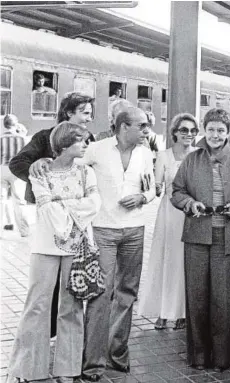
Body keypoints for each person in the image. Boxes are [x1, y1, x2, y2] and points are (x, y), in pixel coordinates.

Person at [7, 122, 101, 383]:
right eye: (81, 141)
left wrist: (62, 206)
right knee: (37, 305)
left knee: (71, 306)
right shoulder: (40, 172)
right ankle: (28, 369)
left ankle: (67, 370)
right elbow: (46, 211)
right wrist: (74, 209)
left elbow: (94, 204)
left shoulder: (86, 172)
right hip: (45, 245)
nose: (85, 146)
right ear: (64, 144)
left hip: (78, 247)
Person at [171, 108, 230, 372]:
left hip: (226, 238)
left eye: (221, 130)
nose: (215, 135)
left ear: (229, 133)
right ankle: (198, 356)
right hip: (196, 236)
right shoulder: (191, 160)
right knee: (196, 297)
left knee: (223, 298)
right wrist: (190, 203)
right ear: (204, 131)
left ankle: (222, 358)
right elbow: (177, 191)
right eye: (211, 130)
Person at [9, 91, 95, 338]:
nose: (89, 119)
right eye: (85, 113)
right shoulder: (44, 138)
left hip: (78, 216)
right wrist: (41, 176)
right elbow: (17, 163)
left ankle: (63, 330)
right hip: (48, 215)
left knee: (72, 276)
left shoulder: (89, 140)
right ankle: (47, 330)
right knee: (49, 279)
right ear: (69, 113)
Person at [80, 107, 155, 380]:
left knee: (126, 293)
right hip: (103, 230)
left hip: (134, 230)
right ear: (124, 127)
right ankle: (92, 363)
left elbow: (151, 188)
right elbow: (73, 172)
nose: (147, 130)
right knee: (101, 295)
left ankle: (117, 355)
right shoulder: (96, 150)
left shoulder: (145, 154)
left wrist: (142, 198)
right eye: (142, 125)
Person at [138, 113, 199, 330]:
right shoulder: (163, 156)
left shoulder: (199, 155)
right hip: (169, 213)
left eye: (192, 131)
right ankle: (163, 311)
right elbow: (156, 188)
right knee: (166, 259)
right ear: (174, 132)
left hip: (192, 214)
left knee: (186, 262)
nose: (188, 134)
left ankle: (183, 312)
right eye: (184, 130)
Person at [1, 115, 29, 237]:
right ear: (16, 124)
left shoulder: (0, 139)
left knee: (1, 200)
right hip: (18, 171)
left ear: (4, 125)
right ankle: (24, 231)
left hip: (2, 169)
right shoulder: (23, 139)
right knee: (19, 201)